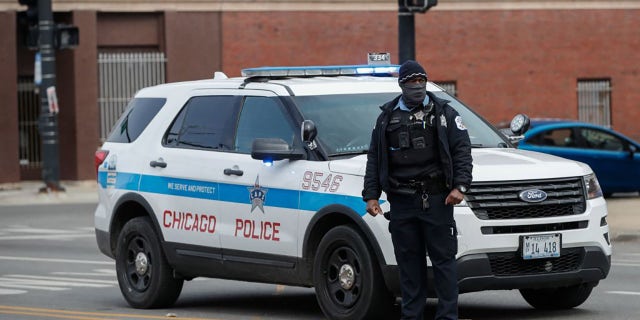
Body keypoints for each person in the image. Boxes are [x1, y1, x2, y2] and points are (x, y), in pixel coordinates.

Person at [362, 60, 473, 320]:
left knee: (444, 262)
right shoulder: (386, 117)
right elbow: (375, 157)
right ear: (402, 84)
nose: (417, 86)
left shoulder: (445, 114)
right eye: (412, 82)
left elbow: (462, 152)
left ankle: (447, 316)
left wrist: (460, 186)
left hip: (437, 199)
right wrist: (371, 195)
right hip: (401, 202)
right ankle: (412, 316)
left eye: (421, 81)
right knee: (409, 264)